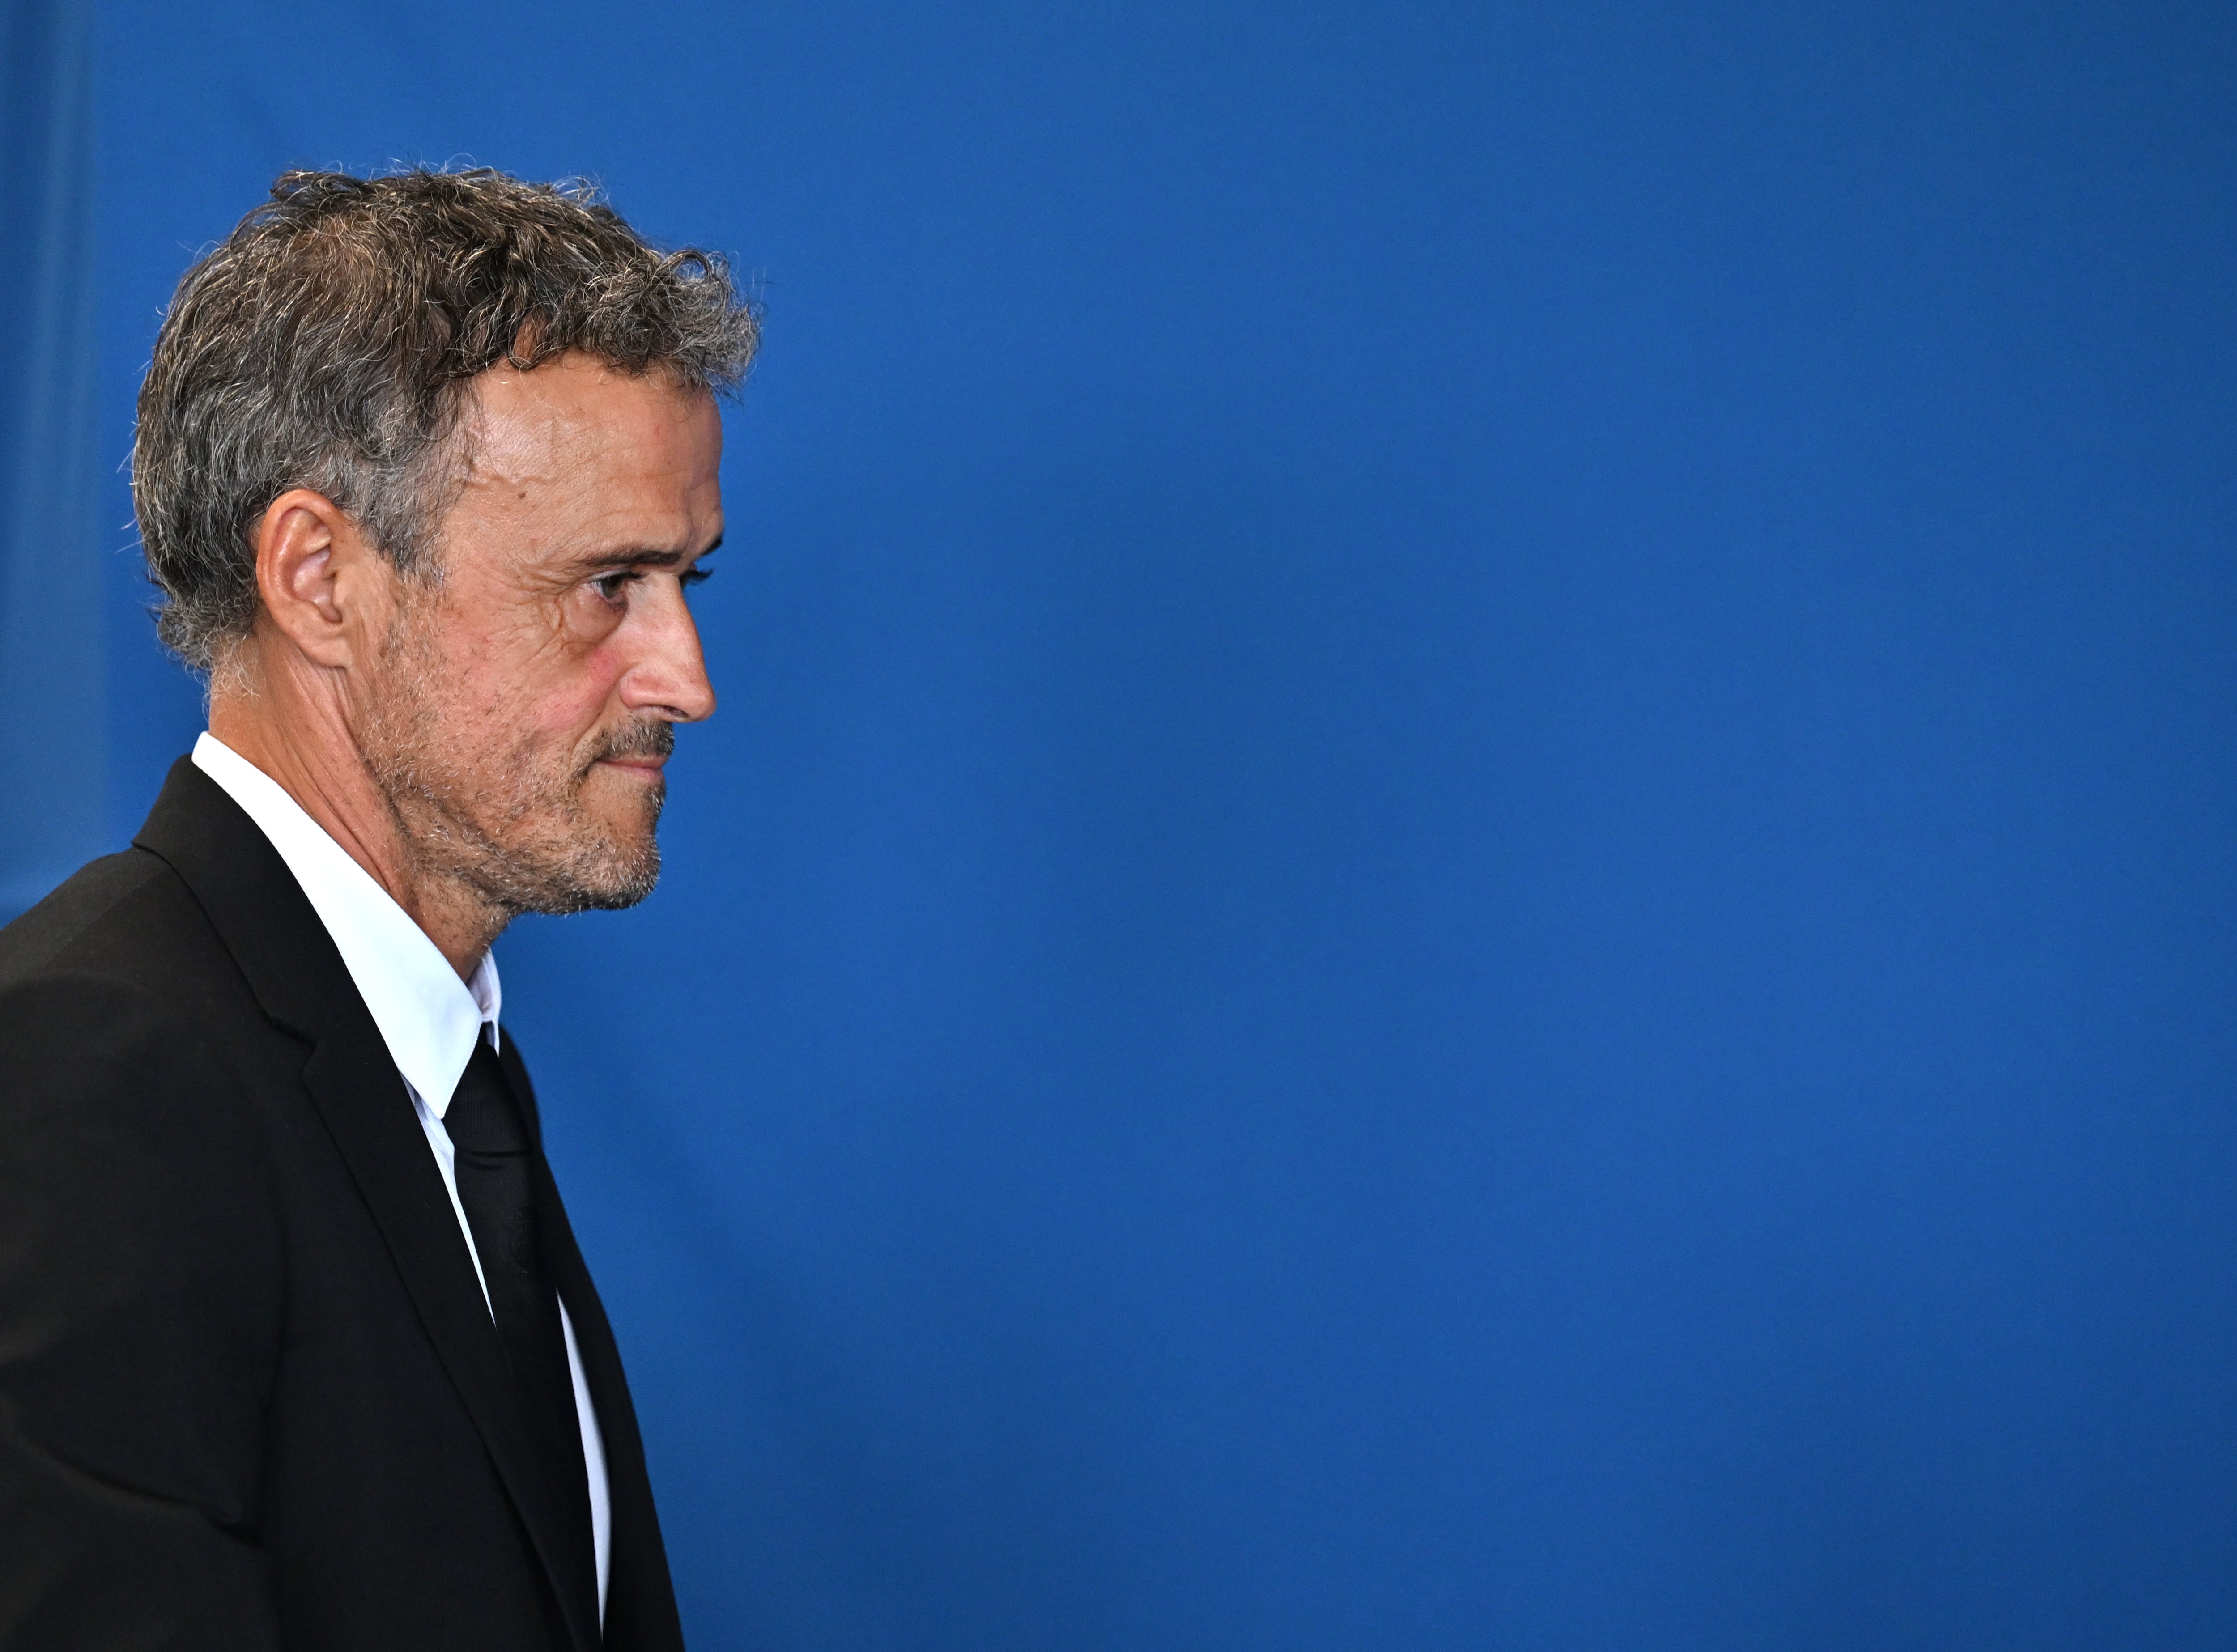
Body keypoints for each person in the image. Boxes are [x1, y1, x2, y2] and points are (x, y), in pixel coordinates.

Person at [0, 168, 758, 1650]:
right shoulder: (87, 1078)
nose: (687, 677)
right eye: (609, 583)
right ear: (321, 579)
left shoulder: (443, 1077)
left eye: (687, 578)